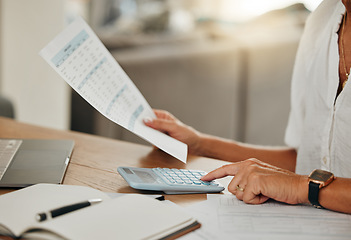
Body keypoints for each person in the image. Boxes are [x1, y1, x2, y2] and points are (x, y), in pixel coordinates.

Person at [144, 0, 351, 214]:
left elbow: (301, 181)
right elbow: (309, 159)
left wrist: (303, 187)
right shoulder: (322, 20)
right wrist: (198, 144)